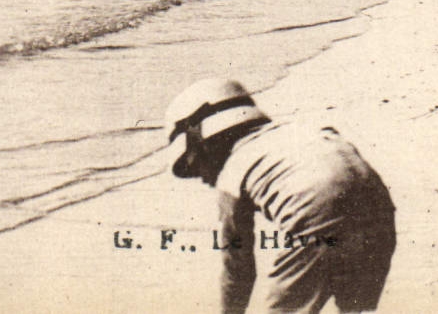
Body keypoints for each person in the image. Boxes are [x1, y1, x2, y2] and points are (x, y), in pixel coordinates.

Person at [162, 78, 395, 314]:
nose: (201, 178)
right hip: (379, 210)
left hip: (317, 216)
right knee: (354, 308)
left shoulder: (232, 173)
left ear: (208, 146)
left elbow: (237, 269)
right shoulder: (301, 132)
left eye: (195, 165)